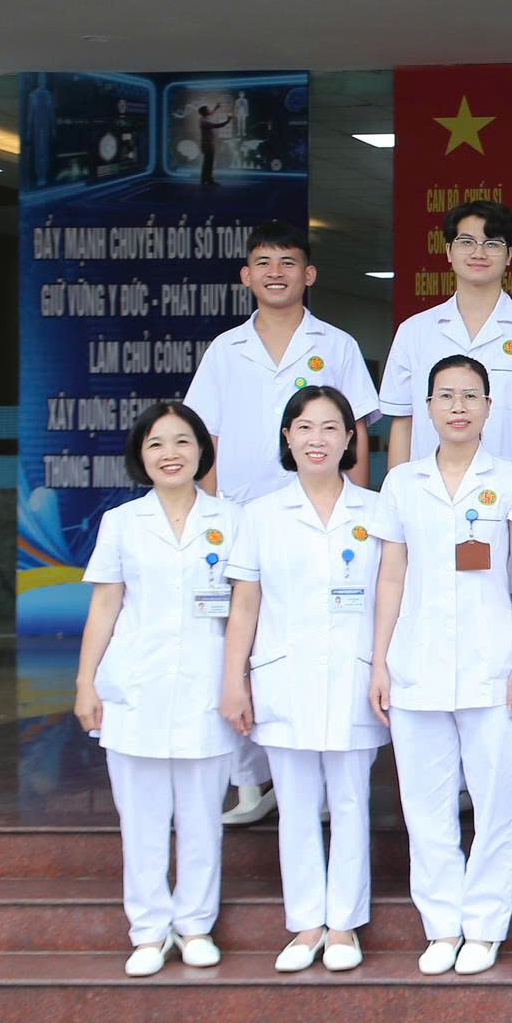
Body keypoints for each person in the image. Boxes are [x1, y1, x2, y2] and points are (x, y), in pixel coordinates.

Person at [378, 199, 512, 825]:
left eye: (492, 241)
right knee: (435, 624)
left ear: (510, 256)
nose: (478, 251)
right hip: (431, 505)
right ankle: (452, 780)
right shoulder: (416, 332)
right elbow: (403, 426)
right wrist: (401, 502)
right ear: (448, 252)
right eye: (465, 240)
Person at [183, 221, 380, 829]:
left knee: (321, 636)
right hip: (243, 518)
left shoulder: (337, 344)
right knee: (233, 641)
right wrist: (210, 518)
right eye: (263, 262)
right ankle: (248, 779)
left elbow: (359, 430)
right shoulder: (224, 349)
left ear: (309, 274)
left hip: (325, 516)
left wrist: (357, 501)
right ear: (246, 276)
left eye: (288, 262)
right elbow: (206, 437)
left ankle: (318, 768)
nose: (276, 272)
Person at [368, 356, 512, 977]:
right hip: (415, 662)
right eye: (446, 395)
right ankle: (441, 924)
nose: (459, 406)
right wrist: (380, 661)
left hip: (493, 661)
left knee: (496, 800)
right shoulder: (401, 483)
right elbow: (391, 573)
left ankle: (484, 925)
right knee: (426, 802)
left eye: (471, 395)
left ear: (490, 407)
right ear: (427, 408)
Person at [217, 386, 387, 974]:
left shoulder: (376, 511)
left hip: (353, 675)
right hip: (282, 675)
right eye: (305, 428)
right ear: (287, 438)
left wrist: (386, 666)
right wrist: (234, 680)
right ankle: (305, 924)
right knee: (294, 805)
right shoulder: (260, 514)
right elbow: (244, 605)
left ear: (349, 439)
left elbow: (392, 599)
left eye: (331, 428)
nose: (318, 439)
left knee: (348, 801)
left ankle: (343, 925)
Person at [72, 402, 239, 977]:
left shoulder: (232, 520)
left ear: (201, 452)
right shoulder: (122, 523)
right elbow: (105, 604)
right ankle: (148, 931)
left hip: (206, 686)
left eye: (182, 441)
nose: (170, 453)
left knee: (201, 816)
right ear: (141, 457)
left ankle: (194, 926)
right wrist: (84, 682)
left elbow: (246, 610)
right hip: (135, 686)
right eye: (156, 444)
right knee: (140, 818)